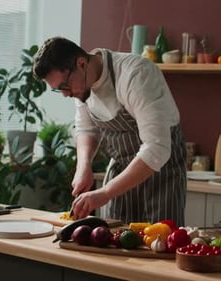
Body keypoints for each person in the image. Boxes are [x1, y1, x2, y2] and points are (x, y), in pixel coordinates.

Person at [33, 37, 187, 225]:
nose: (66, 94)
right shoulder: (80, 85)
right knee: (112, 242)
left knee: (159, 246)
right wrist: (84, 166)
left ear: (81, 63)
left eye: (64, 87)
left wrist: (105, 193)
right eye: (59, 90)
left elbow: (156, 148)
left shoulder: (136, 74)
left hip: (161, 175)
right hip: (120, 170)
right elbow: (86, 129)